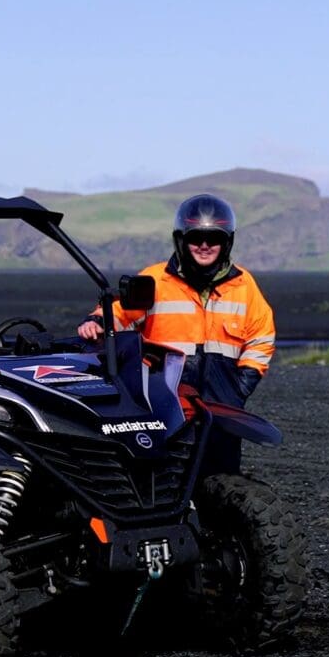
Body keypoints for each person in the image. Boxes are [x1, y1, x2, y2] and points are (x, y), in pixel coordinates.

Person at [78, 193, 276, 471]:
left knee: (222, 478)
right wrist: (97, 323)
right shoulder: (156, 279)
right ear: (181, 239)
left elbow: (262, 336)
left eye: (214, 238)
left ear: (227, 242)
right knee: (161, 475)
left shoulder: (244, 285)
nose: (204, 245)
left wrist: (242, 384)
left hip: (222, 404)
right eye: (196, 237)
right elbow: (119, 312)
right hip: (163, 399)